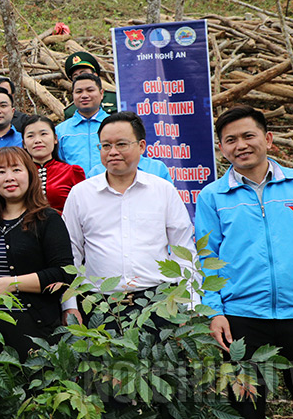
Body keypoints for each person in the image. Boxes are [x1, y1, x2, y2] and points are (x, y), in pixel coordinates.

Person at [196, 105, 293, 419]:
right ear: (222, 148)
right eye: (230, 140)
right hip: (242, 322)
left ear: (268, 139)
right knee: (245, 412)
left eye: (248, 136)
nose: (240, 145)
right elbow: (206, 258)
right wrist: (214, 311)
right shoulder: (213, 196)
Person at [62, 112, 196, 322]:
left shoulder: (163, 190)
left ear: (141, 146)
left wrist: (188, 304)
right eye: (105, 146)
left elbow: (183, 249)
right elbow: (71, 252)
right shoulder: (80, 194)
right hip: (98, 306)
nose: (112, 152)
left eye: (121, 144)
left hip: (157, 304)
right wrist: (69, 305)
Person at [0, 146, 74, 357]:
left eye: (16, 170)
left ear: (30, 175)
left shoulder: (48, 219)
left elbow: (64, 274)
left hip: (35, 333)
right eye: (1, 171)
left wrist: (13, 283)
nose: (9, 177)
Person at [19, 115, 85, 212]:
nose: (37, 140)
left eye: (43, 134)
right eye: (30, 136)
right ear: (24, 143)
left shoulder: (71, 172)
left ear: (55, 139)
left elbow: (84, 207)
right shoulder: (19, 174)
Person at [55, 72, 109, 176]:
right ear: (73, 95)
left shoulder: (115, 126)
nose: (84, 95)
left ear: (101, 93)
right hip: (75, 189)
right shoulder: (61, 131)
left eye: (90, 90)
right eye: (79, 91)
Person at [62, 52, 118, 118]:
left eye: (84, 74)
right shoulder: (70, 111)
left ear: (95, 75)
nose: (81, 78)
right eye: (75, 77)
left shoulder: (115, 98)